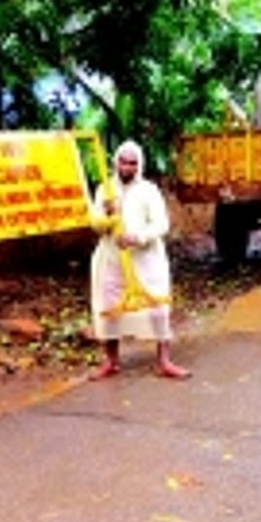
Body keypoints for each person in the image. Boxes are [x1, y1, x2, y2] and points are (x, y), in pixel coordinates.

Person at [89, 140, 190, 380]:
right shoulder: (105, 189)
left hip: (146, 260)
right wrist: (106, 217)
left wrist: (138, 237)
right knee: (108, 307)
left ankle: (164, 361)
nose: (127, 167)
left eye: (132, 163)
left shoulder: (149, 190)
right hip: (112, 258)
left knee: (157, 309)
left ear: (139, 165)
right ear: (116, 162)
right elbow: (94, 223)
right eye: (123, 162)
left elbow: (162, 224)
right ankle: (111, 361)